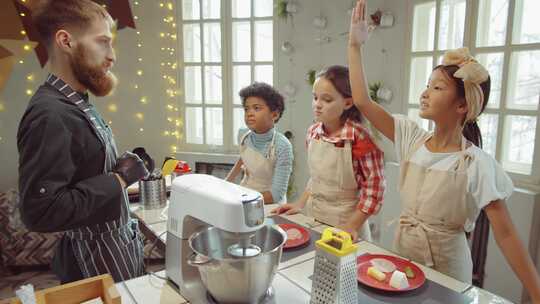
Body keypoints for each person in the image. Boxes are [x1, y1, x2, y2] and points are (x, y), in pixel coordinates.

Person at [347, 0, 540, 299]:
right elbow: (361, 100)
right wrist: (355, 46)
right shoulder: (411, 137)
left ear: (463, 105)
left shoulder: (475, 163)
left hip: (448, 272)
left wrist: (536, 291)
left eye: (437, 88)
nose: (425, 93)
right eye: (427, 85)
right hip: (402, 258)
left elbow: (506, 233)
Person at [17, 0, 148, 283]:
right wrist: (118, 180)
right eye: (103, 42)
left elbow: (84, 171)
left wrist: (121, 166)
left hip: (117, 247)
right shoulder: (49, 113)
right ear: (66, 41)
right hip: (92, 261)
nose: (112, 56)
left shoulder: (77, 103)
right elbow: (42, 211)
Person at [272, 65, 385, 241]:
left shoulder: (360, 137)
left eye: (326, 100)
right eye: (315, 97)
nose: (317, 105)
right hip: (314, 216)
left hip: (346, 224)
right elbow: (316, 179)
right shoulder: (313, 132)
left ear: (348, 103)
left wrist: (352, 226)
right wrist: (299, 204)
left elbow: (374, 191)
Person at [226, 82, 293, 204]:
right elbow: (242, 159)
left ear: (275, 114)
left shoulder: (283, 146)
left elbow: (276, 194)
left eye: (256, 108)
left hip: (269, 204)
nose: (249, 113)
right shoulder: (243, 135)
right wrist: (225, 183)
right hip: (245, 194)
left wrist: (242, 200)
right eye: (247, 109)